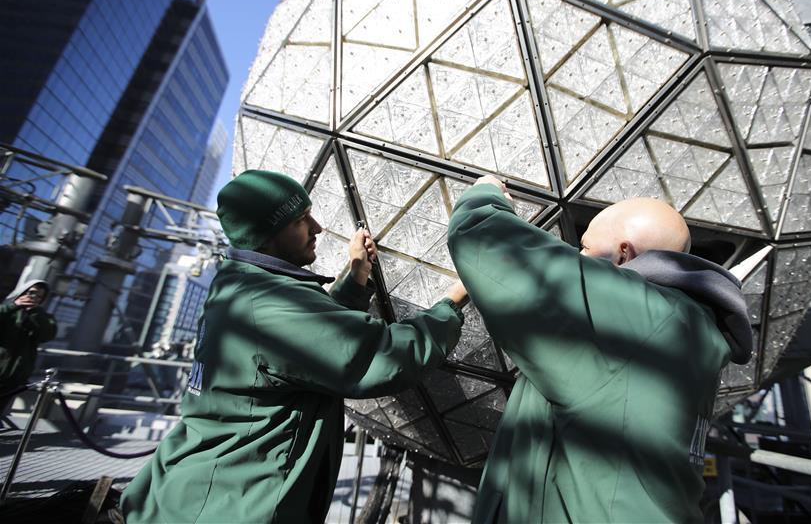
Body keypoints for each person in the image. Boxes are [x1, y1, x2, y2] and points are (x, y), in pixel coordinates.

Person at [122, 169, 467, 523]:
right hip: (221, 510)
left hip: (196, 496)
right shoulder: (265, 307)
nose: (317, 227)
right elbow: (382, 358)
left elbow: (309, 345)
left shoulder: (241, 288)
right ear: (267, 237)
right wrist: (454, 301)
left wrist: (356, 277)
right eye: (301, 220)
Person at [447, 176, 751, 524]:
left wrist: (483, 194)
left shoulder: (638, 316)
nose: (578, 255)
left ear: (624, 253)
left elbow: (485, 242)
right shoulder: (683, 331)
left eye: (586, 248)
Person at [0, 279, 57, 419]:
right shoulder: (6, 310)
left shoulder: (42, 316)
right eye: (31, 293)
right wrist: (13, 306)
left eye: (39, 297)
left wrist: (36, 314)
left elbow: (47, 335)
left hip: (14, 375)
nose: (34, 298)